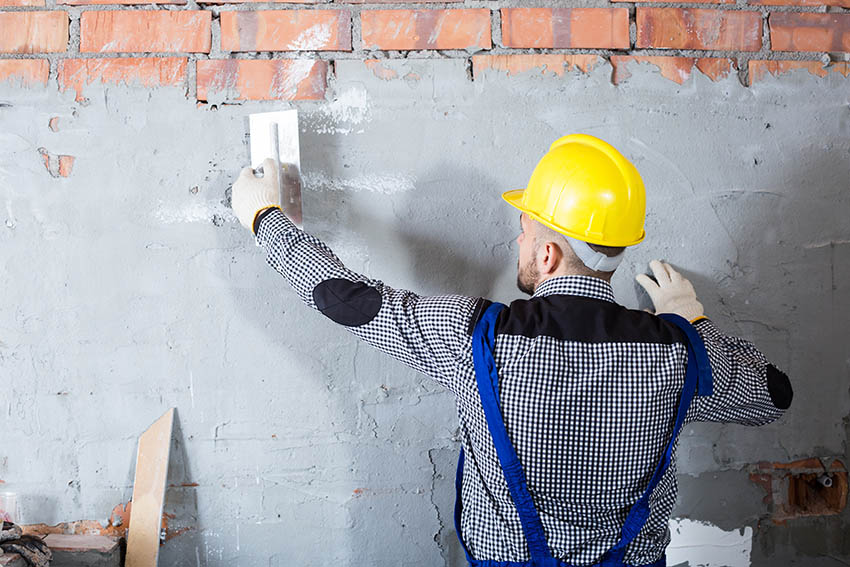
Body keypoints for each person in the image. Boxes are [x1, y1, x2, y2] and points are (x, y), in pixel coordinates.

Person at [231, 134, 792, 566]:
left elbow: (344, 298)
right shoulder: (680, 353)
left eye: (524, 231)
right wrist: (692, 320)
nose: (516, 241)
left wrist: (264, 217)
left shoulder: (474, 334)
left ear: (548, 255)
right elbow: (774, 394)